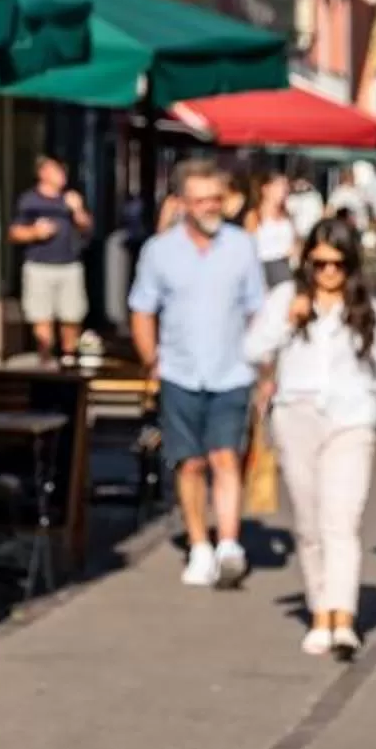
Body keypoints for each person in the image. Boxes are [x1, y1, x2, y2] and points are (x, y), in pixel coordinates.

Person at [246, 216, 376, 662]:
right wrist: (287, 322)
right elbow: (251, 350)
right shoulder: (287, 298)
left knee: (341, 520)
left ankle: (341, 618)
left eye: (336, 265)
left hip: (352, 418)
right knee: (308, 522)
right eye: (318, 264)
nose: (327, 273)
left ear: (350, 265)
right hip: (296, 414)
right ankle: (319, 608)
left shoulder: (366, 307)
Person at [127, 158, 268, 590]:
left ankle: (228, 542)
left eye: (216, 200)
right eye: (201, 200)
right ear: (182, 203)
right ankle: (199, 544)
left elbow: (257, 310)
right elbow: (142, 308)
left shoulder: (241, 245)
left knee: (226, 457)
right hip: (180, 372)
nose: (210, 208)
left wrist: (264, 369)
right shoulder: (159, 251)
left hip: (231, 370)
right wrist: (152, 360)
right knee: (189, 464)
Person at [7, 155, 91, 365]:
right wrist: (35, 232)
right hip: (39, 266)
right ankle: (45, 359)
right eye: (56, 170)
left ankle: (69, 358)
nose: (62, 175)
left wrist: (78, 209)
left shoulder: (70, 199)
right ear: (42, 173)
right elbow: (14, 233)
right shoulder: (29, 201)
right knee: (41, 315)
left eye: (63, 171)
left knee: (72, 315)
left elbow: (87, 227)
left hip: (69, 265)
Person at [248, 169, 299, 287]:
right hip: (263, 267)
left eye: (285, 186)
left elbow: (295, 242)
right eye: (279, 186)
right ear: (265, 189)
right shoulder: (254, 216)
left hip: (287, 268)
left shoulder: (288, 216)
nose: (284, 190)